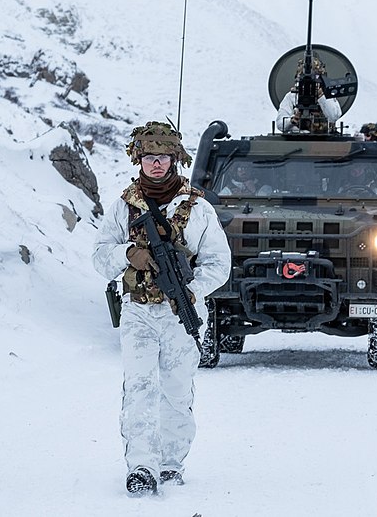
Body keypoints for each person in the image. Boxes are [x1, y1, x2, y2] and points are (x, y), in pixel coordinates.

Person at [92, 121, 231, 496]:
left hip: (177, 316)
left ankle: (170, 463)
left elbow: (219, 262)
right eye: (150, 157)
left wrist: (192, 291)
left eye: (164, 157)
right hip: (137, 312)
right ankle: (140, 466)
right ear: (139, 159)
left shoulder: (198, 208)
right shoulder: (124, 206)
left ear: (175, 159)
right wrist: (128, 254)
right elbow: (99, 255)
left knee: (176, 391)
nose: (157, 164)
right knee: (138, 389)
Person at [276, 54, 342, 133]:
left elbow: (334, 116)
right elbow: (280, 124)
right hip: (297, 138)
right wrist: (292, 120)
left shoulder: (326, 95)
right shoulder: (292, 96)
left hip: (324, 139)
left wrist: (321, 97)